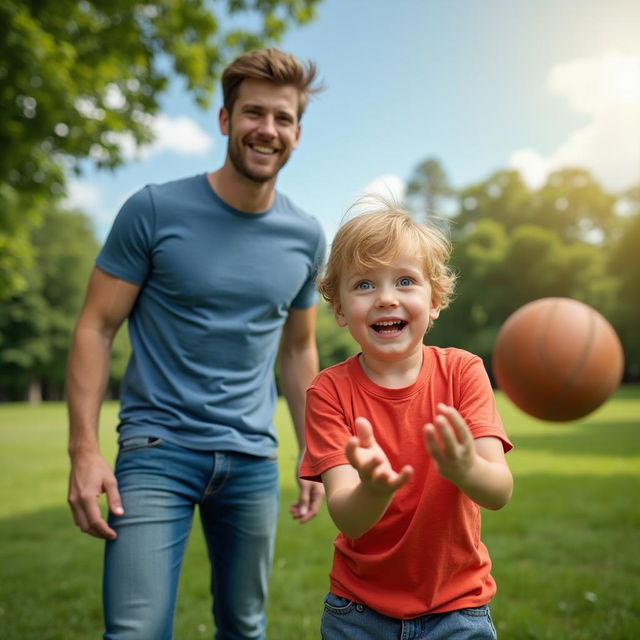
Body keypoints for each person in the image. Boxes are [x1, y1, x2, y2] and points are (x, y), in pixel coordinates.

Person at [66, 48, 326, 640]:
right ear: (225, 120)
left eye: (282, 118)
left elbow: (297, 351)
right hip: (156, 450)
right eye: (254, 113)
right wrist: (83, 451)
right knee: (134, 632)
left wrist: (315, 449)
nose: (268, 130)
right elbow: (95, 327)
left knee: (245, 628)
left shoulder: (307, 236)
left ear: (297, 133)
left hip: (252, 460)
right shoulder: (154, 210)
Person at [300, 199, 514, 640]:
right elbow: (348, 517)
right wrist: (374, 489)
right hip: (357, 614)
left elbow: (499, 491)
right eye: (363, 285)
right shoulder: (328, 392)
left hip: (458, 609)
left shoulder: (463, 371)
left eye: (405, 280)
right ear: (339, 309)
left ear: (434, 301)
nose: (385, 298)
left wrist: (465, 468)